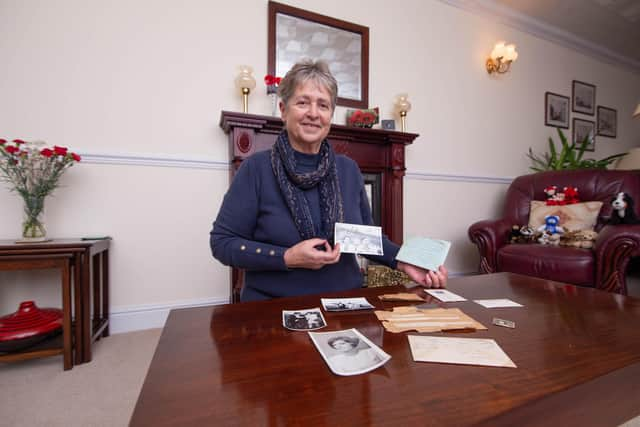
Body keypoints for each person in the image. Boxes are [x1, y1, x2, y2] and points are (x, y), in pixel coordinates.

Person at [210, 59, 447, 301]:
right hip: (274, 307)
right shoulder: (256, 169)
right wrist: (287, 257)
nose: (313, 113)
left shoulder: (348, 170)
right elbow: (222, 242)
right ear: (283, 110)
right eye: (303, 102)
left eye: (323, 105)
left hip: (346, 304)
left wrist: (405, 262)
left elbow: (366, 240)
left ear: (330, 116)